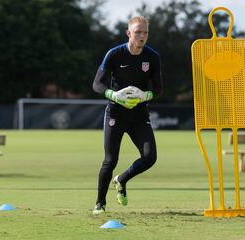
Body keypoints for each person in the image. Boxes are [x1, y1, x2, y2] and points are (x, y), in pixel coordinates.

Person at [92, 16, 163, 215]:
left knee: (150, 157)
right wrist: (112, 94)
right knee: (110, 160)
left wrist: (146, 95)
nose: (142, 36)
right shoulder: (115, 54)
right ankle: (100, 203)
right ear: (129, 33)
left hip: (139, 116)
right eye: (138, 32)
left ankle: (121, 179)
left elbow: (159, 88)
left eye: (145, 32)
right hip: (115, 113)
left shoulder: (153, 57)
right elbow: (96, 83)